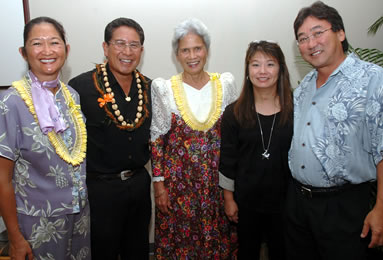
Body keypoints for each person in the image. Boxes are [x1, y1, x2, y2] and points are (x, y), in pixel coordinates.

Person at [287, 1, 383, 259]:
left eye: (318, 32)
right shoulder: (303, 88)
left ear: (340, 33)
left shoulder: (372, 79)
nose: (311, 43)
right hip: (298, 203)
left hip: (343, 206)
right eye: (303, 38)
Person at [0, 17, 90, 260]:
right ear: (23, 52)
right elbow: (2, 178)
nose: (47, 51)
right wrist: (15, 237)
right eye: (37, 43)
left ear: (66, 49)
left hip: (79, 218)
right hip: (36, 225)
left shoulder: (72, 96)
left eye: (54, 42)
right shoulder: (12, 102)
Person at [150, 18, 239, 259]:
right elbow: (157, 139)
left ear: (207, 50)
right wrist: (159, 187)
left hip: (217, 187)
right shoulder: (164, 89)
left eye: (197, 48)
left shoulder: (226, 84)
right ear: (176, 55)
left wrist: (233, 187)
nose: (192, 55)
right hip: (179, 189)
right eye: (185, 50)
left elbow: (234, 136)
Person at [68, 18, 152, 259]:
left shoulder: (150, 88)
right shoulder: (81, 88)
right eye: (120, 43)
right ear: (105, 48)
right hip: (99, 190)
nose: (127, 52)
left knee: (137, 251)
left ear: (141, 51)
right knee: (101, 252)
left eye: (134, 45)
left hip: (138, 185)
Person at [219, 40, 293, 259]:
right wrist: (228, 199)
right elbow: (228, 159)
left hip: (286, 203)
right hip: (246, 203)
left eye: (270, 64)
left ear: (280, 70)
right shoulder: (234, 112)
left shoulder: (294, 110)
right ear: (247, 70)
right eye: (255, 64)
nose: (262, 71)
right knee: (247, 252)